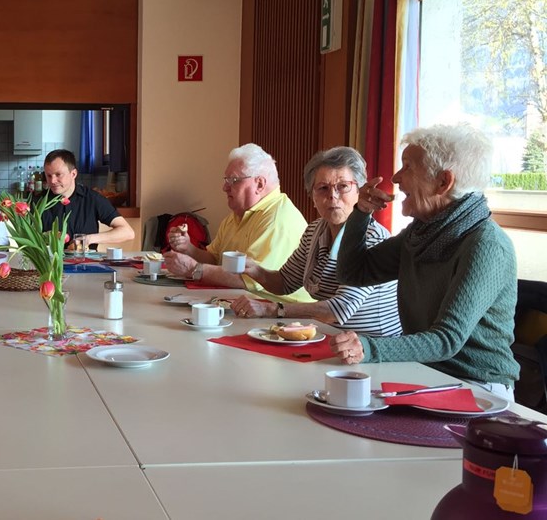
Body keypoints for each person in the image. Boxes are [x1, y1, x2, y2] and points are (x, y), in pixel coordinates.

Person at [330, 124, 519, 400]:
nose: (395, 178)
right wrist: (361, 212)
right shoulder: (422, 233)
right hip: (427, 375)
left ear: (443, 182)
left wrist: (370, 349)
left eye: (407, 167)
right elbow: (352, 272)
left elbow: (447, 340)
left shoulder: (486, 244)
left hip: (479, 388)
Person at [231, 147, 401, 337]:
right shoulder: (315, 230)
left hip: (370, 346)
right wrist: (253, 269)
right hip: (329, 337)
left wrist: (270, 309)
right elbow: (285, 281)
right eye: (323, 188)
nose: (332, 196)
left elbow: (338, 310)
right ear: (313, 197)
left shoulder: (371, 237)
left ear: (359, 192)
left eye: (343, 186)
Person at [163, 143, 311, 302]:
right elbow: (214, 259)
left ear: (259, 184)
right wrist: (188, 248)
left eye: (233, 180)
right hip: (243, 305)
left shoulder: (277, 219)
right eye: (226, 180)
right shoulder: (237, 215)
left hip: (281, 316)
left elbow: (248, 280)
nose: (224, 187)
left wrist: (194, 269)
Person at [39, 149, 135, 248]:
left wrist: (88, 239)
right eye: (49, 175)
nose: (53, 181)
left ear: (73, 174)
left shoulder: (93, 199)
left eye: (58, 174)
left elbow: (127, 232)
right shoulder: (37, 202)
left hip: (85, 262)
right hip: (48, 262)